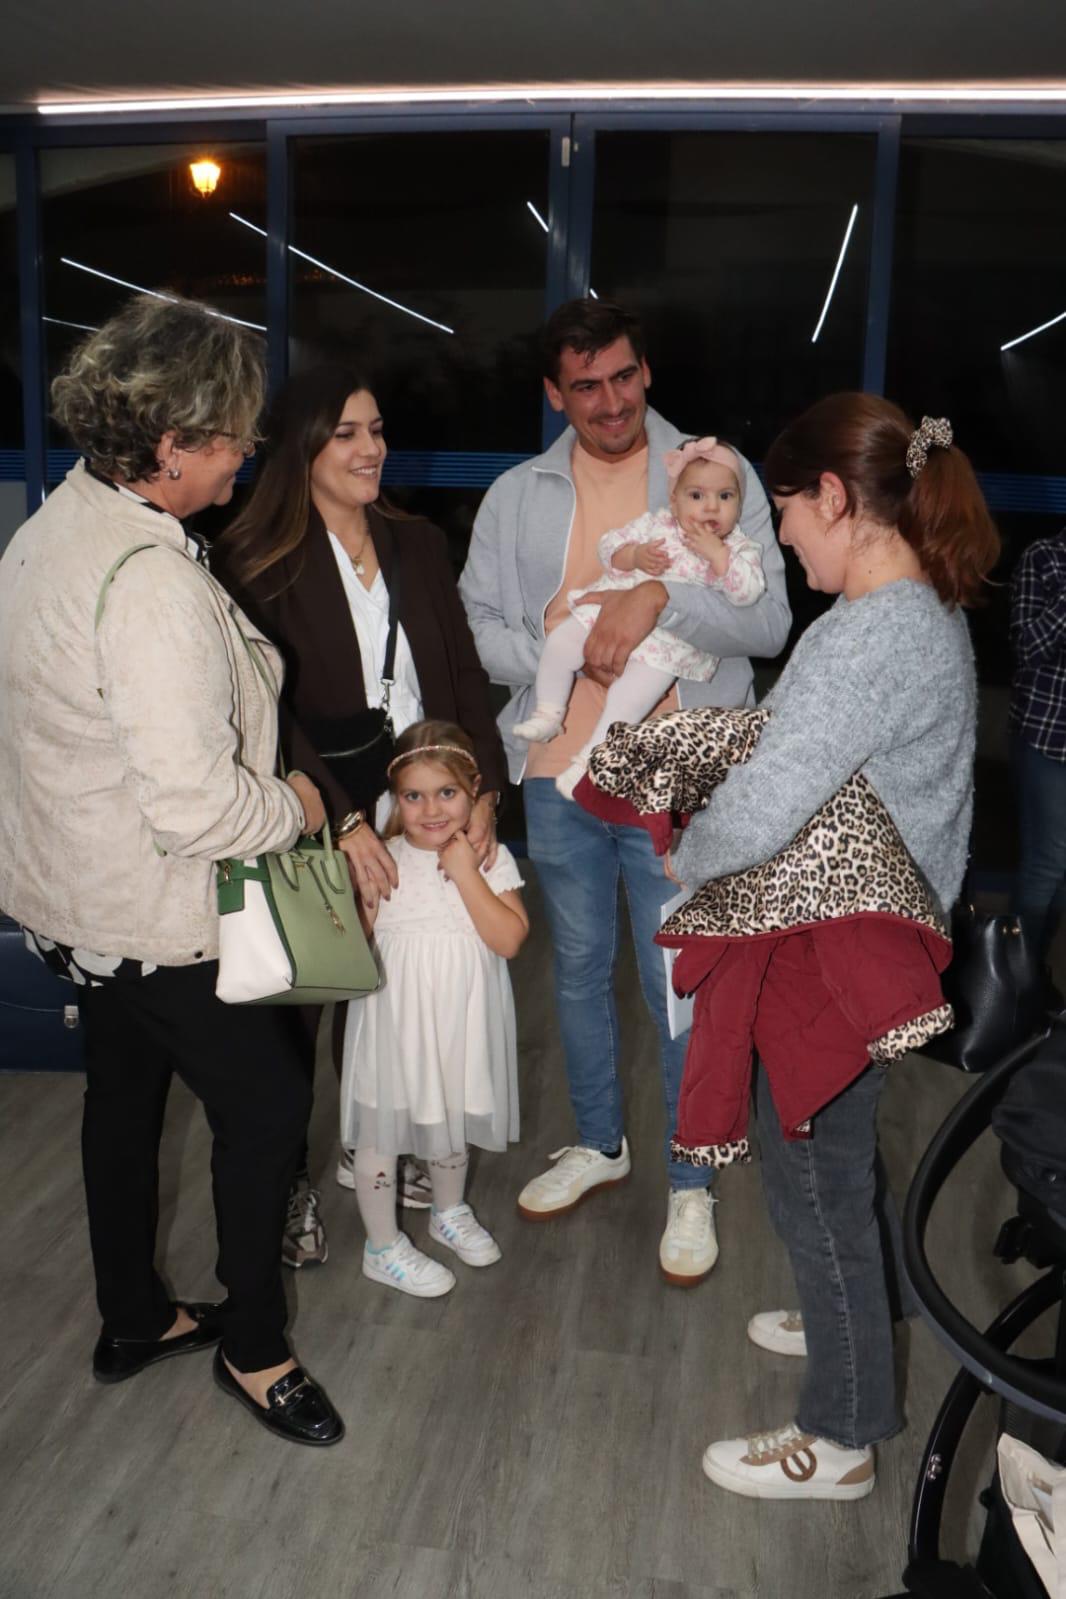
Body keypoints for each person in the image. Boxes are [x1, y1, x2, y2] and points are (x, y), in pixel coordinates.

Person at [0, 295, 344, 1446]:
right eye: (236, 436)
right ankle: (255, 1350)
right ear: (171, 444)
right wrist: (298, 807)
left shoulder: (58, 521)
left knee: (124, 1092)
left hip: (72, 898)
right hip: (150, 912)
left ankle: (134, 1318)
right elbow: (197, 807)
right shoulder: (148, 585)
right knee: (269, 1105)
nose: (247, 455)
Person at [668, 396, 999, 1501]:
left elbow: (768, 803)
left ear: (834, 498)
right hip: (863, 935)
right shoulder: (906, 607)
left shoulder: (874, 634)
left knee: (815, 1179)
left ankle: (842, 1434)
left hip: (839, 952)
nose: (778, 537)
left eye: (783, 512)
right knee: (833, 1168)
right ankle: (851, 1312)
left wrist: (689, 860)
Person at [459, 298, 790, 1285]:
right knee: (574, 970)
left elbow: (766, 623)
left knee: (672, 982)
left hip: (673, 778)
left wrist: (658, 600)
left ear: (646, 372)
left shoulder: (714, 471)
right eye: (586, 386)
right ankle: (600, 1143)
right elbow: (482, 628)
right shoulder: (515, 495)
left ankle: (692, 1179)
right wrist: (569, 649)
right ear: (553, 393)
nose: (610, 403)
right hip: (558, 774)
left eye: (623, 377)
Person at [214, 365, 508, 1268]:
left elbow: (462, 674)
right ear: (302, 445)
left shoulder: (416, 543)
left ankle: (370, 1144)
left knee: (395, 989)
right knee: (304, 1002)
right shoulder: (253, 558)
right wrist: (340, 823)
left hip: (424, 807)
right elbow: (262, 713)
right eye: (346, 433)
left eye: (376, 429)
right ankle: (286, 1182)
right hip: (317, 808)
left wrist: (484, 789)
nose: (370, 447)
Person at [339, 720, 528, 1297]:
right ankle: (381, 1246)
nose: (431, 809)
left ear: (474, 791)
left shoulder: (489, 859)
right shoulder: (381, 860)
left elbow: (509, 940)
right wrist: (364, 910)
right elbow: (351, 952)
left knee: (452, 1119)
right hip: (393, 1025)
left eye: (446, 792)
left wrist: (466, 873)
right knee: (379, 1136)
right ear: (395, 799)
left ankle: (448, 1212)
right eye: (413, 796)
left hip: (458, 1021)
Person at [515, 435, 765, 798]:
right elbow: (608, 547)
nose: (711, 507)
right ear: (674, 500)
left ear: (740, 504)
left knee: (630, 697)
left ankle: (590, 760)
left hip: (671, 646)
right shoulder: (656, 526)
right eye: (696, 496)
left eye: (725, 496)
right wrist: (633, 556)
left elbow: (748, 593)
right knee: (561, 642)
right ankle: (548, 713)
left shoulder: (738, 548)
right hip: (612, 613)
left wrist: (719, 557)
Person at [1009, 525, 1066, 958]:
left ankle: (1036, 973)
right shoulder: (1043, 557)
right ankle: (1015, 976)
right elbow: (1027, 648)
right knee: (1047, 864)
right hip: (1047, 735)